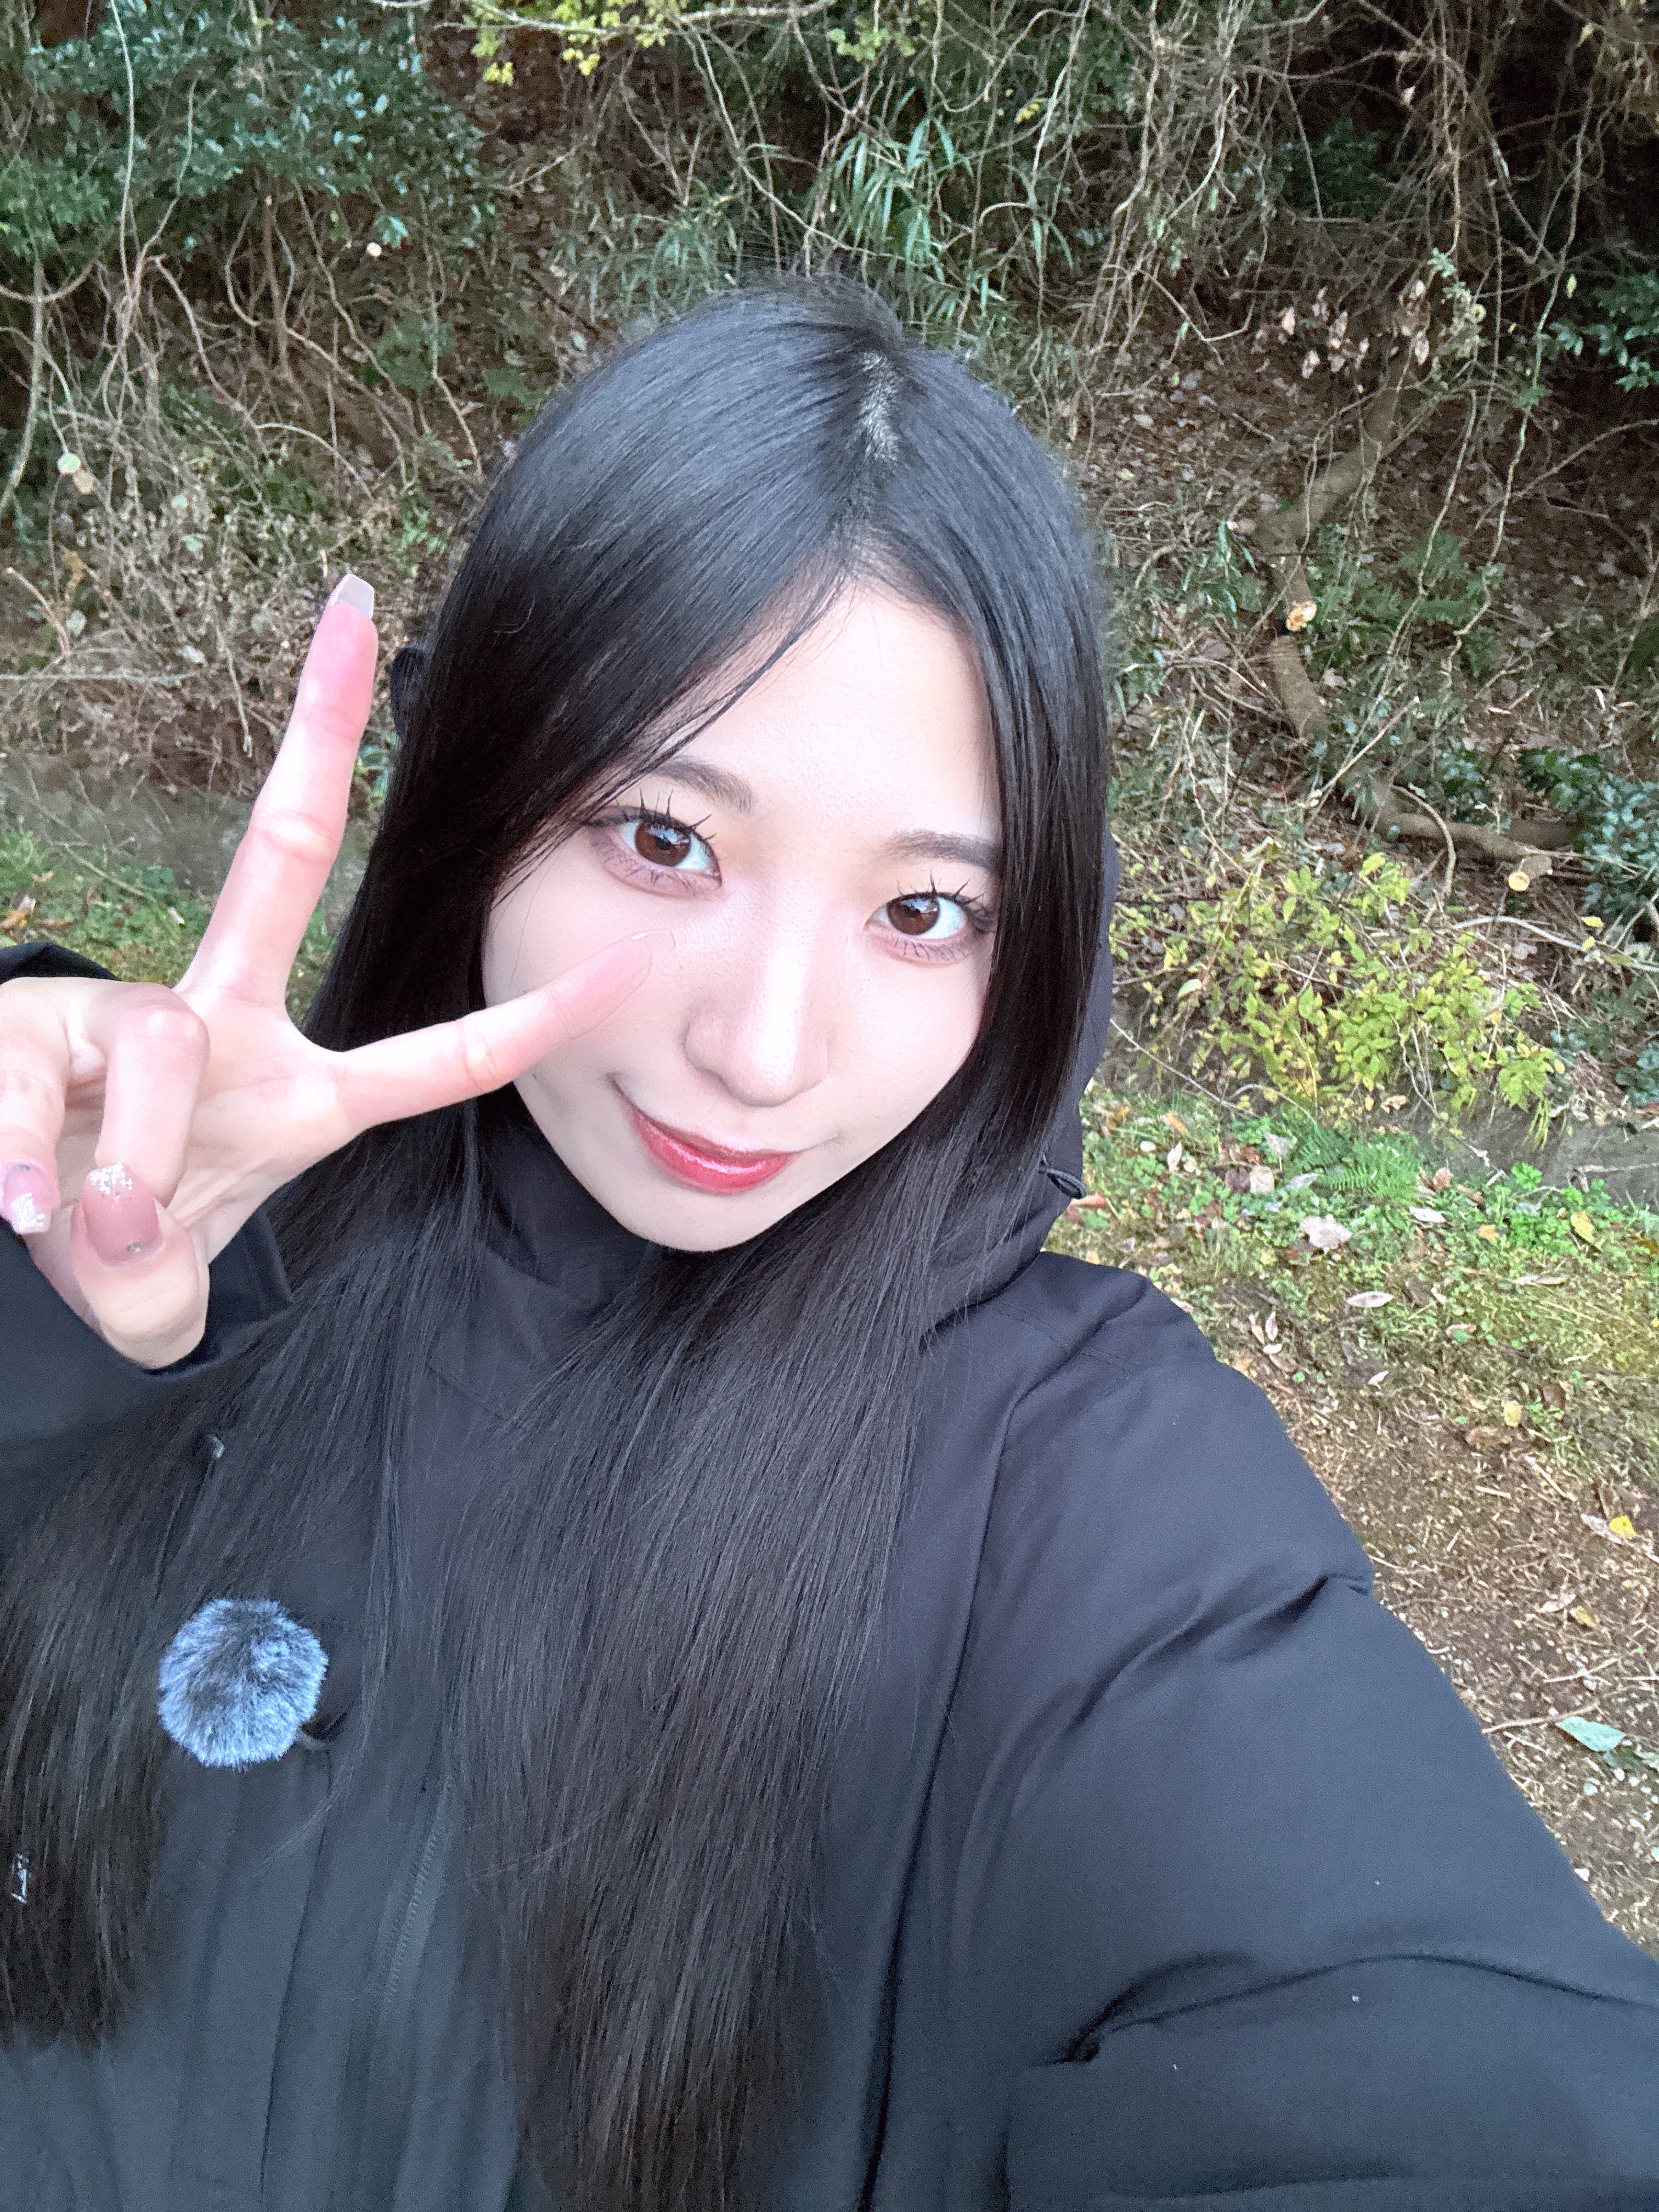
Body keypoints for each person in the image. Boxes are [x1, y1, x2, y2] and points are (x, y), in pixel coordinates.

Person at [1, 284, 1657, 2212]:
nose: (765, 1052)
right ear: (478, 800)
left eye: (924, 911)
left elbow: (1442, 2066)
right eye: (665, 840)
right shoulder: (158, 1244)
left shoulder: (1084, 1490)